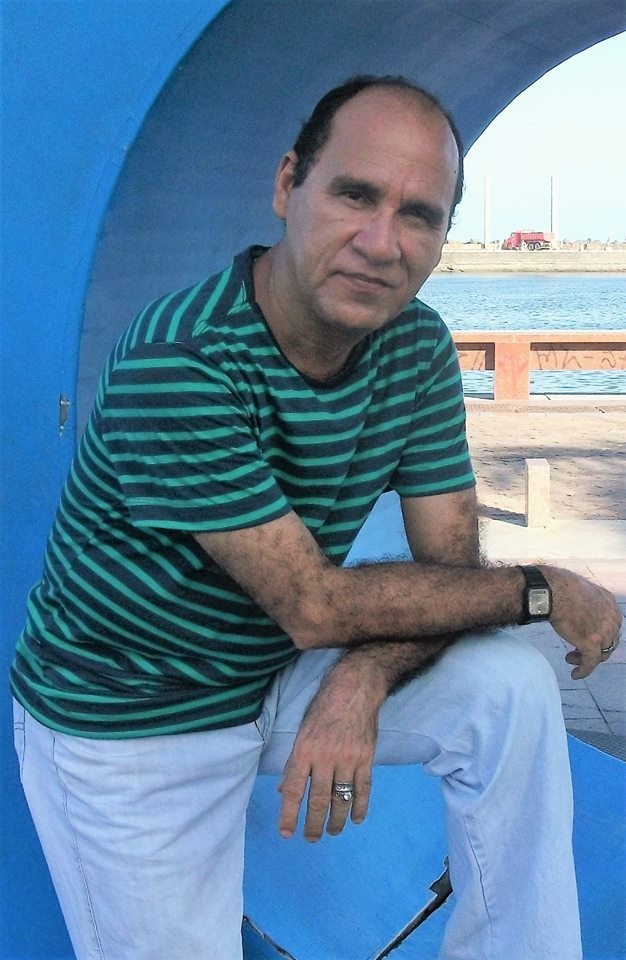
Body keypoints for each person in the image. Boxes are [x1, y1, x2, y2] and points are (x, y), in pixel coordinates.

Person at [11, 75, 621, 960]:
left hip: (270, 670)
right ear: (287, 185)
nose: (381, 243)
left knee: (509, 689)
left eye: (419, 215)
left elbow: (449, 574)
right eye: (355, 195)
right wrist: (545, 589)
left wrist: (362, 679)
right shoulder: (182, 361)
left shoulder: (414, 346)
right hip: (137, 717)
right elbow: (313, 607)